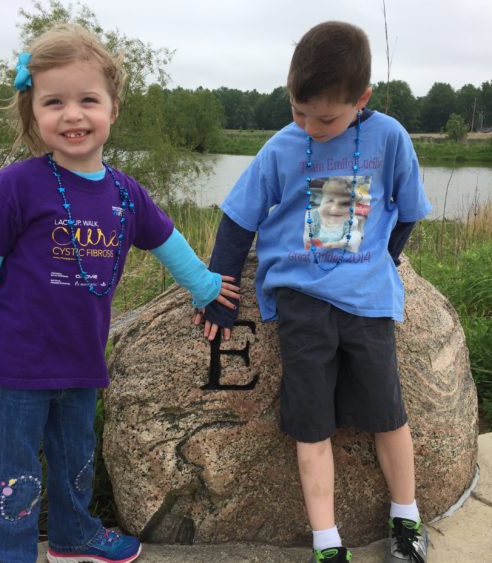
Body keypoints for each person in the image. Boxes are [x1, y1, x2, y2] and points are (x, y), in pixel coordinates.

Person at [0, 24, 239, 563]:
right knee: (13, 476)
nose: (73, 114)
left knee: (74, 460)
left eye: (88, 100)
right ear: (33, 112)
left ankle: (73, 536)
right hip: (15, 367)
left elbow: (169, 242)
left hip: (83, 361)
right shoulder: (17, 185)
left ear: (113, 108)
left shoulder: (126, 194)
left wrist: (205, 288)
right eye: (54, 102)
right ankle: (3, 555)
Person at [195, 21, 431, 563]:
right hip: (301, 300)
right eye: (299, 111)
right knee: (311, 421)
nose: (309, 125)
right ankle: (327, 544)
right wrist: (218, 291)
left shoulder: (389, 137)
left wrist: (384, 262)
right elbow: (236, 220)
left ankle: (406, 518)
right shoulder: (283, 145)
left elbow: (408, 215)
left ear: (361, 99)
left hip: (367, 302)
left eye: (325, 117)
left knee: (388, 414)